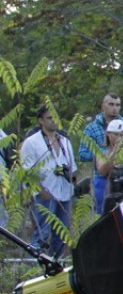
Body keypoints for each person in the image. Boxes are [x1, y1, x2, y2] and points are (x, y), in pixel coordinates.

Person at [21, 105, 77, 257]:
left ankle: (56, 266)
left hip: (64, 193)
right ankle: (32, 266)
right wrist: (40, 190)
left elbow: (72, 168)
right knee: (41, 234)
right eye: (49, 118)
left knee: (61, 234)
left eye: (55, 117)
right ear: (40, 120)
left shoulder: (65, 141)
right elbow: (26, 172)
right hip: (44, 194)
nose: (54, 121)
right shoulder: (31, 142)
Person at [79, 93, 123, 213]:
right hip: (102, 177)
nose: (115, 108)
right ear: (103, 106)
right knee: (103, 213)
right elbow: (82, 154)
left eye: (118, 105)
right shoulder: (91, 128)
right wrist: (101, 154)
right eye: (111, 104)